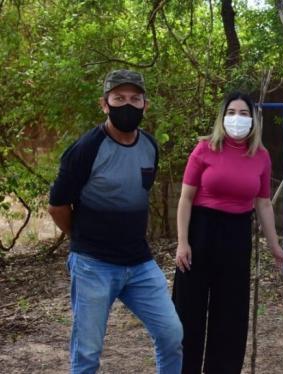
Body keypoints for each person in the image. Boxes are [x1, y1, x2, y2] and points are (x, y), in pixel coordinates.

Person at [48, 69, 183, 374]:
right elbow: (57, 206)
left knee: (172, 334)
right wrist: (82, 238)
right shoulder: (86, 149)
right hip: (93, 265)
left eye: (135, 99)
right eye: (119, 98)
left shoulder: (150, 147)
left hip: (139, 264)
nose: (128, 105)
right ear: (104, 104)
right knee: (87, 353)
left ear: (145, 105)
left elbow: (139, 194)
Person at [172, 91, 283, 373]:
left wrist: (274, 245)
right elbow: (185, 199)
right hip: (201, 232)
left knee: (230, 316)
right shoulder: (204, 149)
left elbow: (263, 204)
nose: (238, 118)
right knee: (188, 313)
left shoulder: (260, 156)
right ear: (222, 117)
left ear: (254, 120)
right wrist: (182, 242)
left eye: (244, 114)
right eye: (232, 112)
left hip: (236, 237)